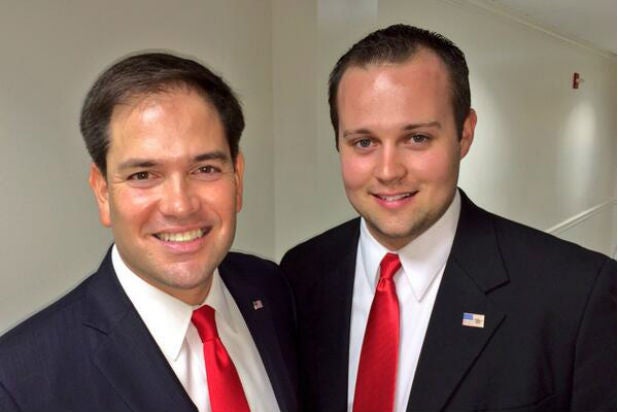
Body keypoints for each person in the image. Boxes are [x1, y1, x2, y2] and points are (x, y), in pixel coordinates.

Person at [280, 24, 616, 412]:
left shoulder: (576, 294)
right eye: (364, 142)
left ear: (465, 134)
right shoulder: (300, 275)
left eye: (417, 138)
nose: (388, 171)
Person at [0, 52, 298, 412]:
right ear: (102, 192)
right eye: (143, 175)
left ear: (237, 177)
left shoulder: (271, 289)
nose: (180, 205)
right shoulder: (19, 382)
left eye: (205, 169)